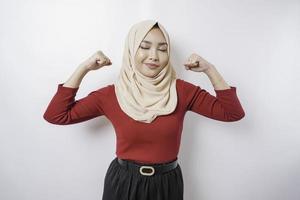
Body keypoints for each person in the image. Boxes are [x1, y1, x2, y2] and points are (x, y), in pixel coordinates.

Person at [43, 19, 245, 200]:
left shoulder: (182, 91)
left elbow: (232, 113)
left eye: (162, 49)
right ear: (131, 50)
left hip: (167, 185)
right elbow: (57, 115)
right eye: (145, 47)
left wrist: (210, 69)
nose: (154, 56)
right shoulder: (112, 94)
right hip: (123, 184)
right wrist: (84, 67)